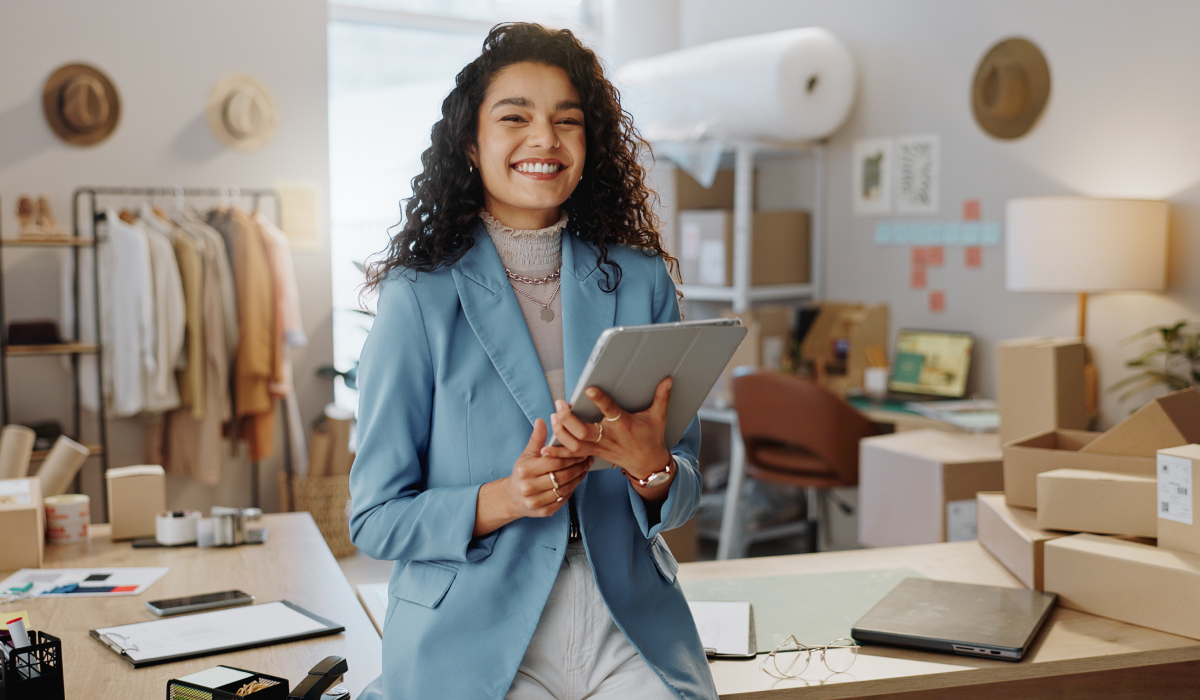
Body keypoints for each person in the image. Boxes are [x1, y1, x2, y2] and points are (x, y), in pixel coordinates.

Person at [350, 22, 717, 700]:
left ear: (588, 146)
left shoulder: (641, 283)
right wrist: (502, 499)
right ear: (472, 143)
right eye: (515, 117)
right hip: (474, 629)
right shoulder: (419, 298)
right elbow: (373, 519)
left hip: (625, 621)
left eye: (567, 122)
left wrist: (652, 468)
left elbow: (686, 485)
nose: (544, 139)